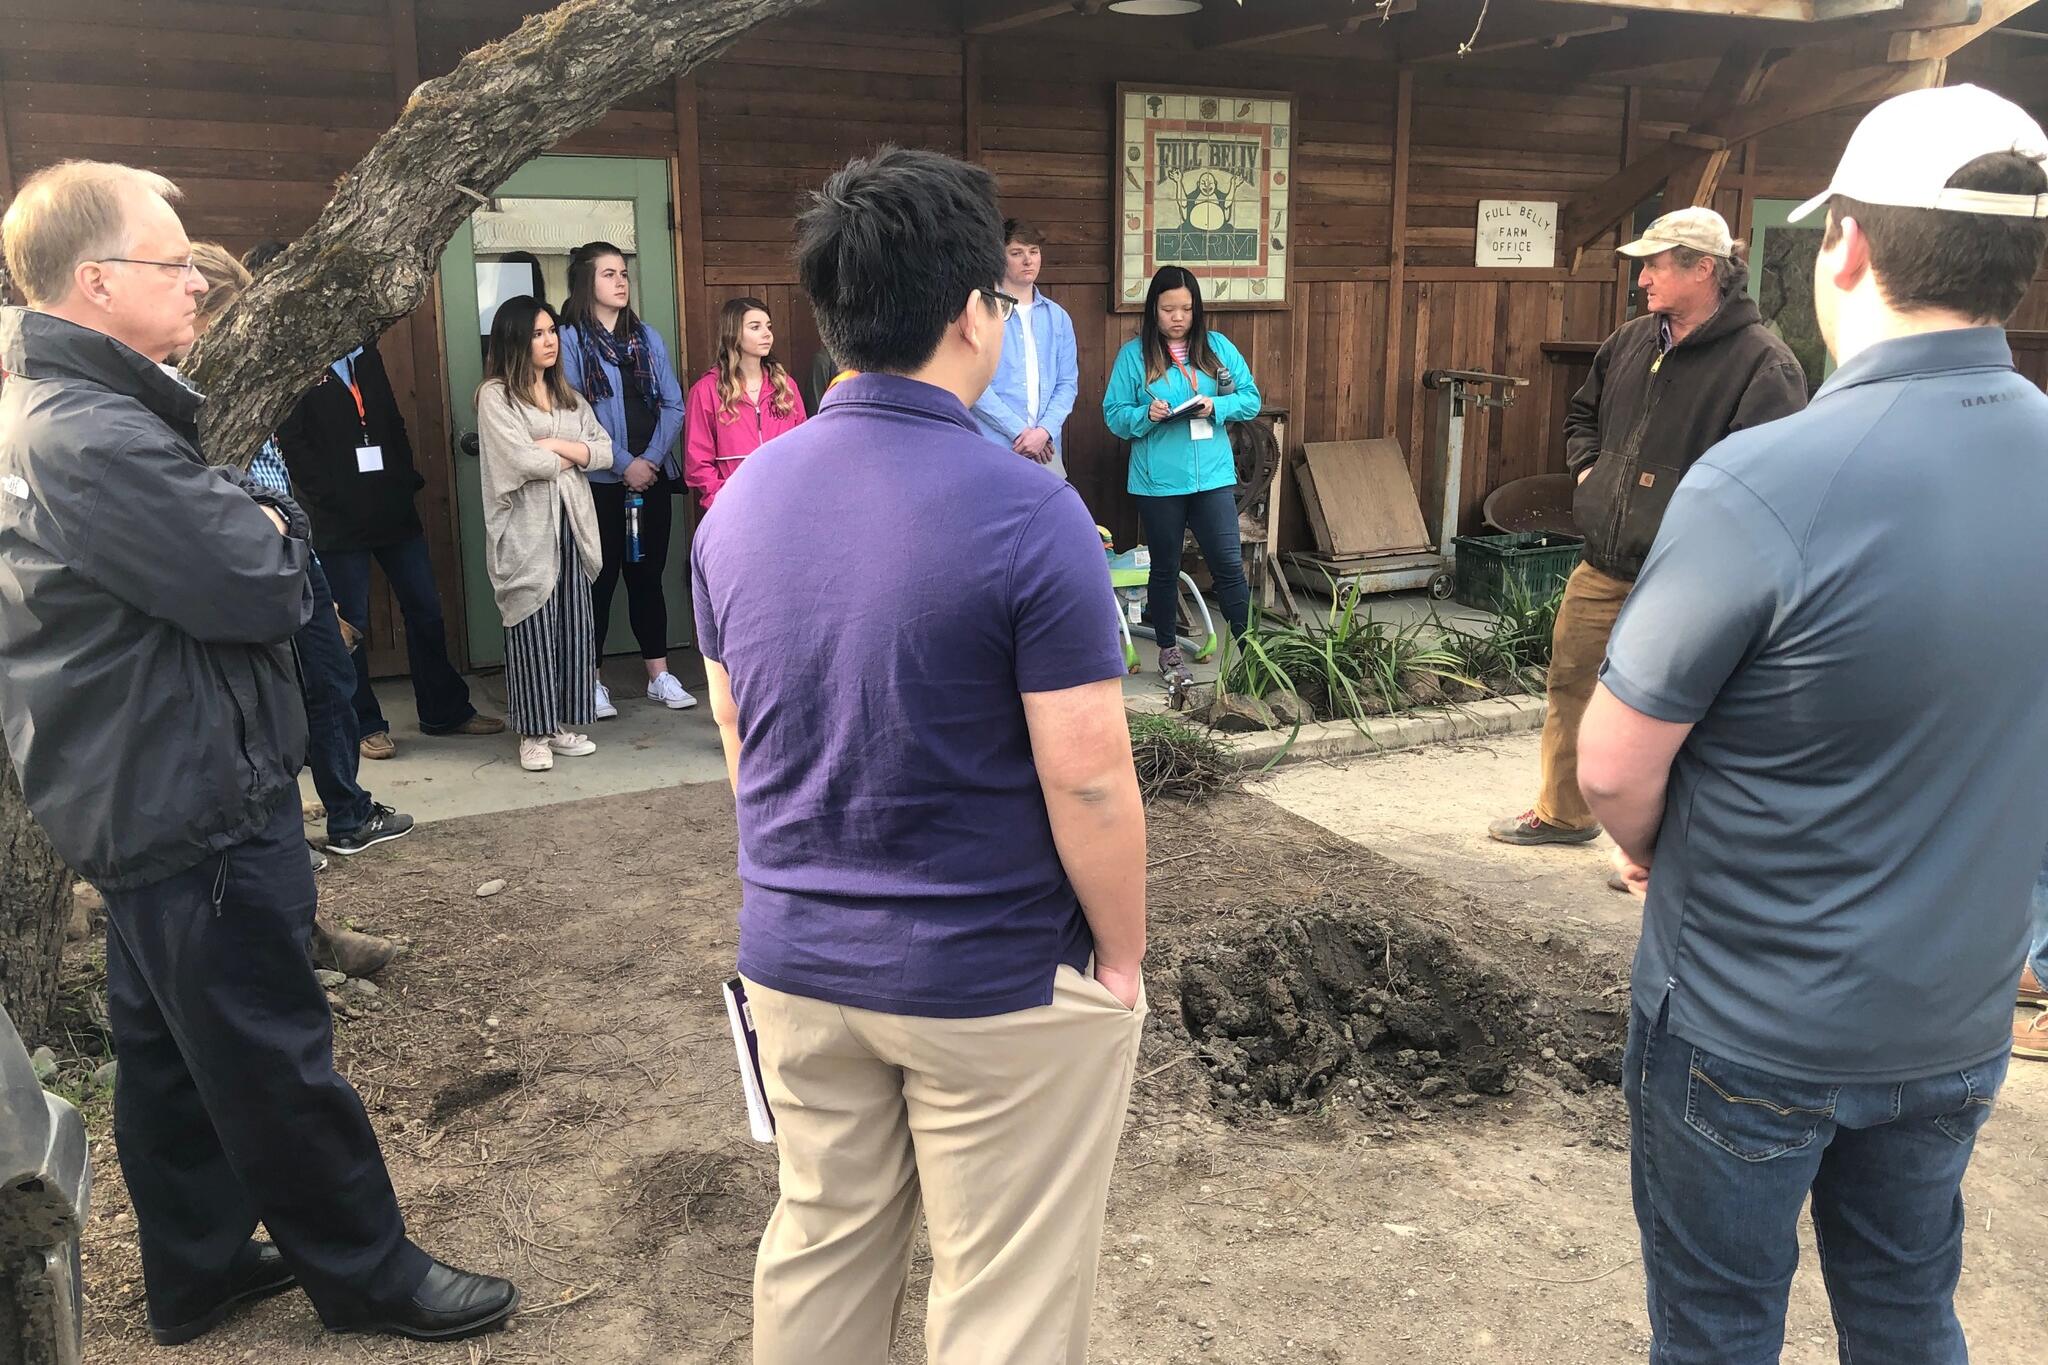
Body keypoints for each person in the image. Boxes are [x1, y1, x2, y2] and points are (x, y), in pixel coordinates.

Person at [0, 160, 516, 1346]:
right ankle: (371, 1274)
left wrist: (250, 519)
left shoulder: (71, 410)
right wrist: (276, 521)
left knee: (168, 1050)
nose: (194, 280)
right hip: (189, 790)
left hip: (136, 784)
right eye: (171, 260)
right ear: (94, 281)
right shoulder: (96, 435)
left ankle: (195, 1264)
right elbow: (258, 583)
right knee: (273, 1053)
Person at [1576, 85, 2048, 1363]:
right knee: (1905, 1316)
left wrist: (1659, 846)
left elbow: (1612, 764)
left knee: (1721, 1331)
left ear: (1839, 243)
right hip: (1952, 1025)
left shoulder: (1768, 476)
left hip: (1748, 1020)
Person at [693, 146, 1146, 1364]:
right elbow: (1089, 768)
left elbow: (742, 737)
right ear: (971, 314)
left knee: (823, 1246)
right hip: (988, 974)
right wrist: (1120, 953)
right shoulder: (1026, 508)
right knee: (1001, 1292)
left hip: (795, 958)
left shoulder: (739, 503)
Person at [1489, 206, 1806, 849]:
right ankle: (1563, 812)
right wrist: (1587, 474)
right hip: (1604, 561)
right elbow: (1582, 416)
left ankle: (1669, 846)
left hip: (1691, 581)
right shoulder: (1630, 343)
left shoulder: (1763, 364)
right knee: (1571, 683)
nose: (1642, 281)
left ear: (1704, 269)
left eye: (1656, 266)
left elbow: (1769, 479)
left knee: (1681, 714)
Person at [181, 243, 404, 977]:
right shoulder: (184, 396)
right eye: (233, 313)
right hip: (260, 565)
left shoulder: (249, 385)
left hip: (292, 554)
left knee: (322, 687)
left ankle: (340, 820)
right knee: (290, 704)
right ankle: (333, 831)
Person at [274, 324, 503, 760]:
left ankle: (444, 710)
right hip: (337, 518)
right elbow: (294, 441)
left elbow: (391, 419)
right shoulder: (299, 359)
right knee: (351, 622)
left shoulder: (365, 352)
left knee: (426, 609)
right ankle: (363, 723)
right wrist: (327, 496)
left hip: (392, 507)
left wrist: (403, 479)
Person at [1102, 265, 1260, 687]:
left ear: (1197, 310)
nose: (1177, 317)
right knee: (1165, 567)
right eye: (1168, 308)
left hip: (1212, 476)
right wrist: (1145, 415)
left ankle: (1254, 654)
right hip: (1159, 481)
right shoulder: (1133, 356)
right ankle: (1169, 652)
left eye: (1186, 308)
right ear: (1153, 309)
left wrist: (1217, 407)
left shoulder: (1217, 348)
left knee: (1228, 565)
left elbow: (1250, 399)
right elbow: (1114, 416)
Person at [476, 297, 613, 773]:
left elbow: (606, 452)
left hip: (572, 527)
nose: (549, 340)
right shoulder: (496, 396)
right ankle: (532, 732)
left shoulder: (569, 396)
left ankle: (559, 724)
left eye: (551, 330)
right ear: (514, 339)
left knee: (572, 626)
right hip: (527, 531)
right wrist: (573, 454)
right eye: (536, 333)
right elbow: (521, 461)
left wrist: (554, 443)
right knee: (531, 625)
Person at [557, 241, 693, 715]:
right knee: (600, 580)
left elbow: (674, 404)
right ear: (585, 282)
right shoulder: (569, 339)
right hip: (598, 483)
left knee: (647, 576)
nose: (620, 282)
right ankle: (591, 681)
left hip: (650, 480)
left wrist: (649, 461)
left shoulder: (648, 337)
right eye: (608, 274)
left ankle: (659, 675)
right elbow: (575, 414)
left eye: (623, 274)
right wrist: (622, 464)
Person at [970, 218, 1078, 477]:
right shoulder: (981, 312)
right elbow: (974, 382)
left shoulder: (1058, 317)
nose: (1028, 260)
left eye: (1034, 252)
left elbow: (1067, 383)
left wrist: (1044, 432)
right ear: (1000, 258)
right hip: (993, 446)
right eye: (1017, 253)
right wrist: (1020, 432)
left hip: (1046, 450)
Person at [682, 296, 807, 512]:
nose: (767, 334)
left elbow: (804, 446)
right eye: (755, 327)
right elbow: (698, 463)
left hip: (786, 505)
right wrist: (724, 501)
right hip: (734, 509)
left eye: (768, 326)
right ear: (733, 334)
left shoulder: (786, 386)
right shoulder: (706, 391)